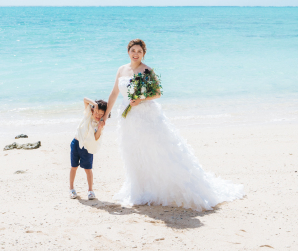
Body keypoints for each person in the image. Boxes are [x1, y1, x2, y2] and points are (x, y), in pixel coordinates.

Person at [104, 39, 244, 211]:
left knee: (155, 151)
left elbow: (156, 93)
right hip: (127, 119)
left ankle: (161, 187)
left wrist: (141, 99)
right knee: (134, 152)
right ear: (128, 51)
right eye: (133, 50)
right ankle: (139, 189)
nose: (136, 54)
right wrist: (105, 115)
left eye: (139, 51)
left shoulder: (147, 70)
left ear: (144, 54)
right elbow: (114, 93)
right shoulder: (121, 70)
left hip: (146, 116)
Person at [69, 97, 106, 200]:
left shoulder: (99, 124)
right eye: (97, 112)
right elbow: (85, 99)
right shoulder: (88, 114)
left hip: (87, 148)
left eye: (101, 114)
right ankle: (71, 188)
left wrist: (100, 128)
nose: (98, 115)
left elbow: (96, 138)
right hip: (76, 143)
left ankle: (90, 191)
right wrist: (95, 104)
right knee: (73, 167)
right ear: (93, 110)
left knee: (88, 169)